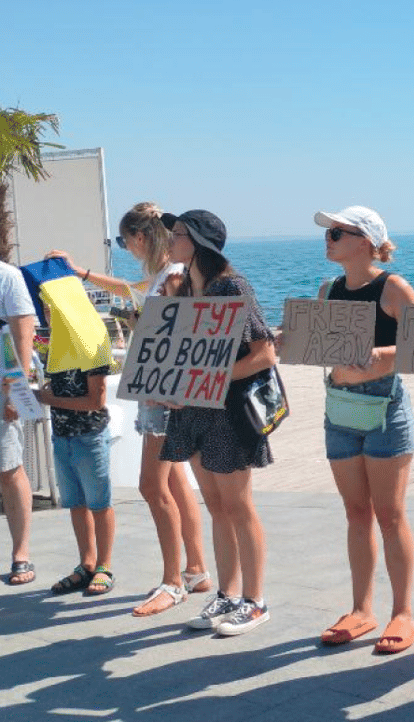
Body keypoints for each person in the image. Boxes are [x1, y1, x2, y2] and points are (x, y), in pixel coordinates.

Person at [48, 201, 212, 615]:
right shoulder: (163, 275)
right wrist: (81, 272)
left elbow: (185, 331)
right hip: (159, 391)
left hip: (163, 394)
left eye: (124, 242)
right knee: (175, 482)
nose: (127, 248)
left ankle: (173, 582)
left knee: (152, 487)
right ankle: (195, 569)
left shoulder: (173, 277)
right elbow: (127, 288)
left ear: (140, 237)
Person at [159, 210, 277, 636]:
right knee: (215, 505)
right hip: (192, 411)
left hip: (226, 412)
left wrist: (207, 379)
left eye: (176, 234)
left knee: (239, 506)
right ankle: (228, 593)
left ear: (197, 243)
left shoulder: (232, 287)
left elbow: (264, 354)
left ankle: (255, 601)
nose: (169, 241)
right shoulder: (186, 288)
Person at [312, 206, 414, 653]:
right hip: (340, 405)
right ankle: (361, 609)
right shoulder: (328, 290)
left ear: (365, 241)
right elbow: (322, 347)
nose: (328, 238)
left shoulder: (392, 288)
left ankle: (403, 613)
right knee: (356, 512)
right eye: (329, 232)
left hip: (384, 405)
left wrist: (383, 356)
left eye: (337, 232)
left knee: (390, 514)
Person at [39, 319, 116, 597]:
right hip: (62, 435)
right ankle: (87, 564)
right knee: (76, 503)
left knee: (99, 503)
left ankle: (104, 566)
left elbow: (96, 400)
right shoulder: (56, 344)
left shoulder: (92, 339)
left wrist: (48, 399)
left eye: (52, 307)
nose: (48, 312)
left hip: (89, 435)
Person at [1, 262, 37, 586]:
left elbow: (23, 332)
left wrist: (17, 391)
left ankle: (21, 553)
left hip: (3, 383)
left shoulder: (7, 276)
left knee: (9, 468)